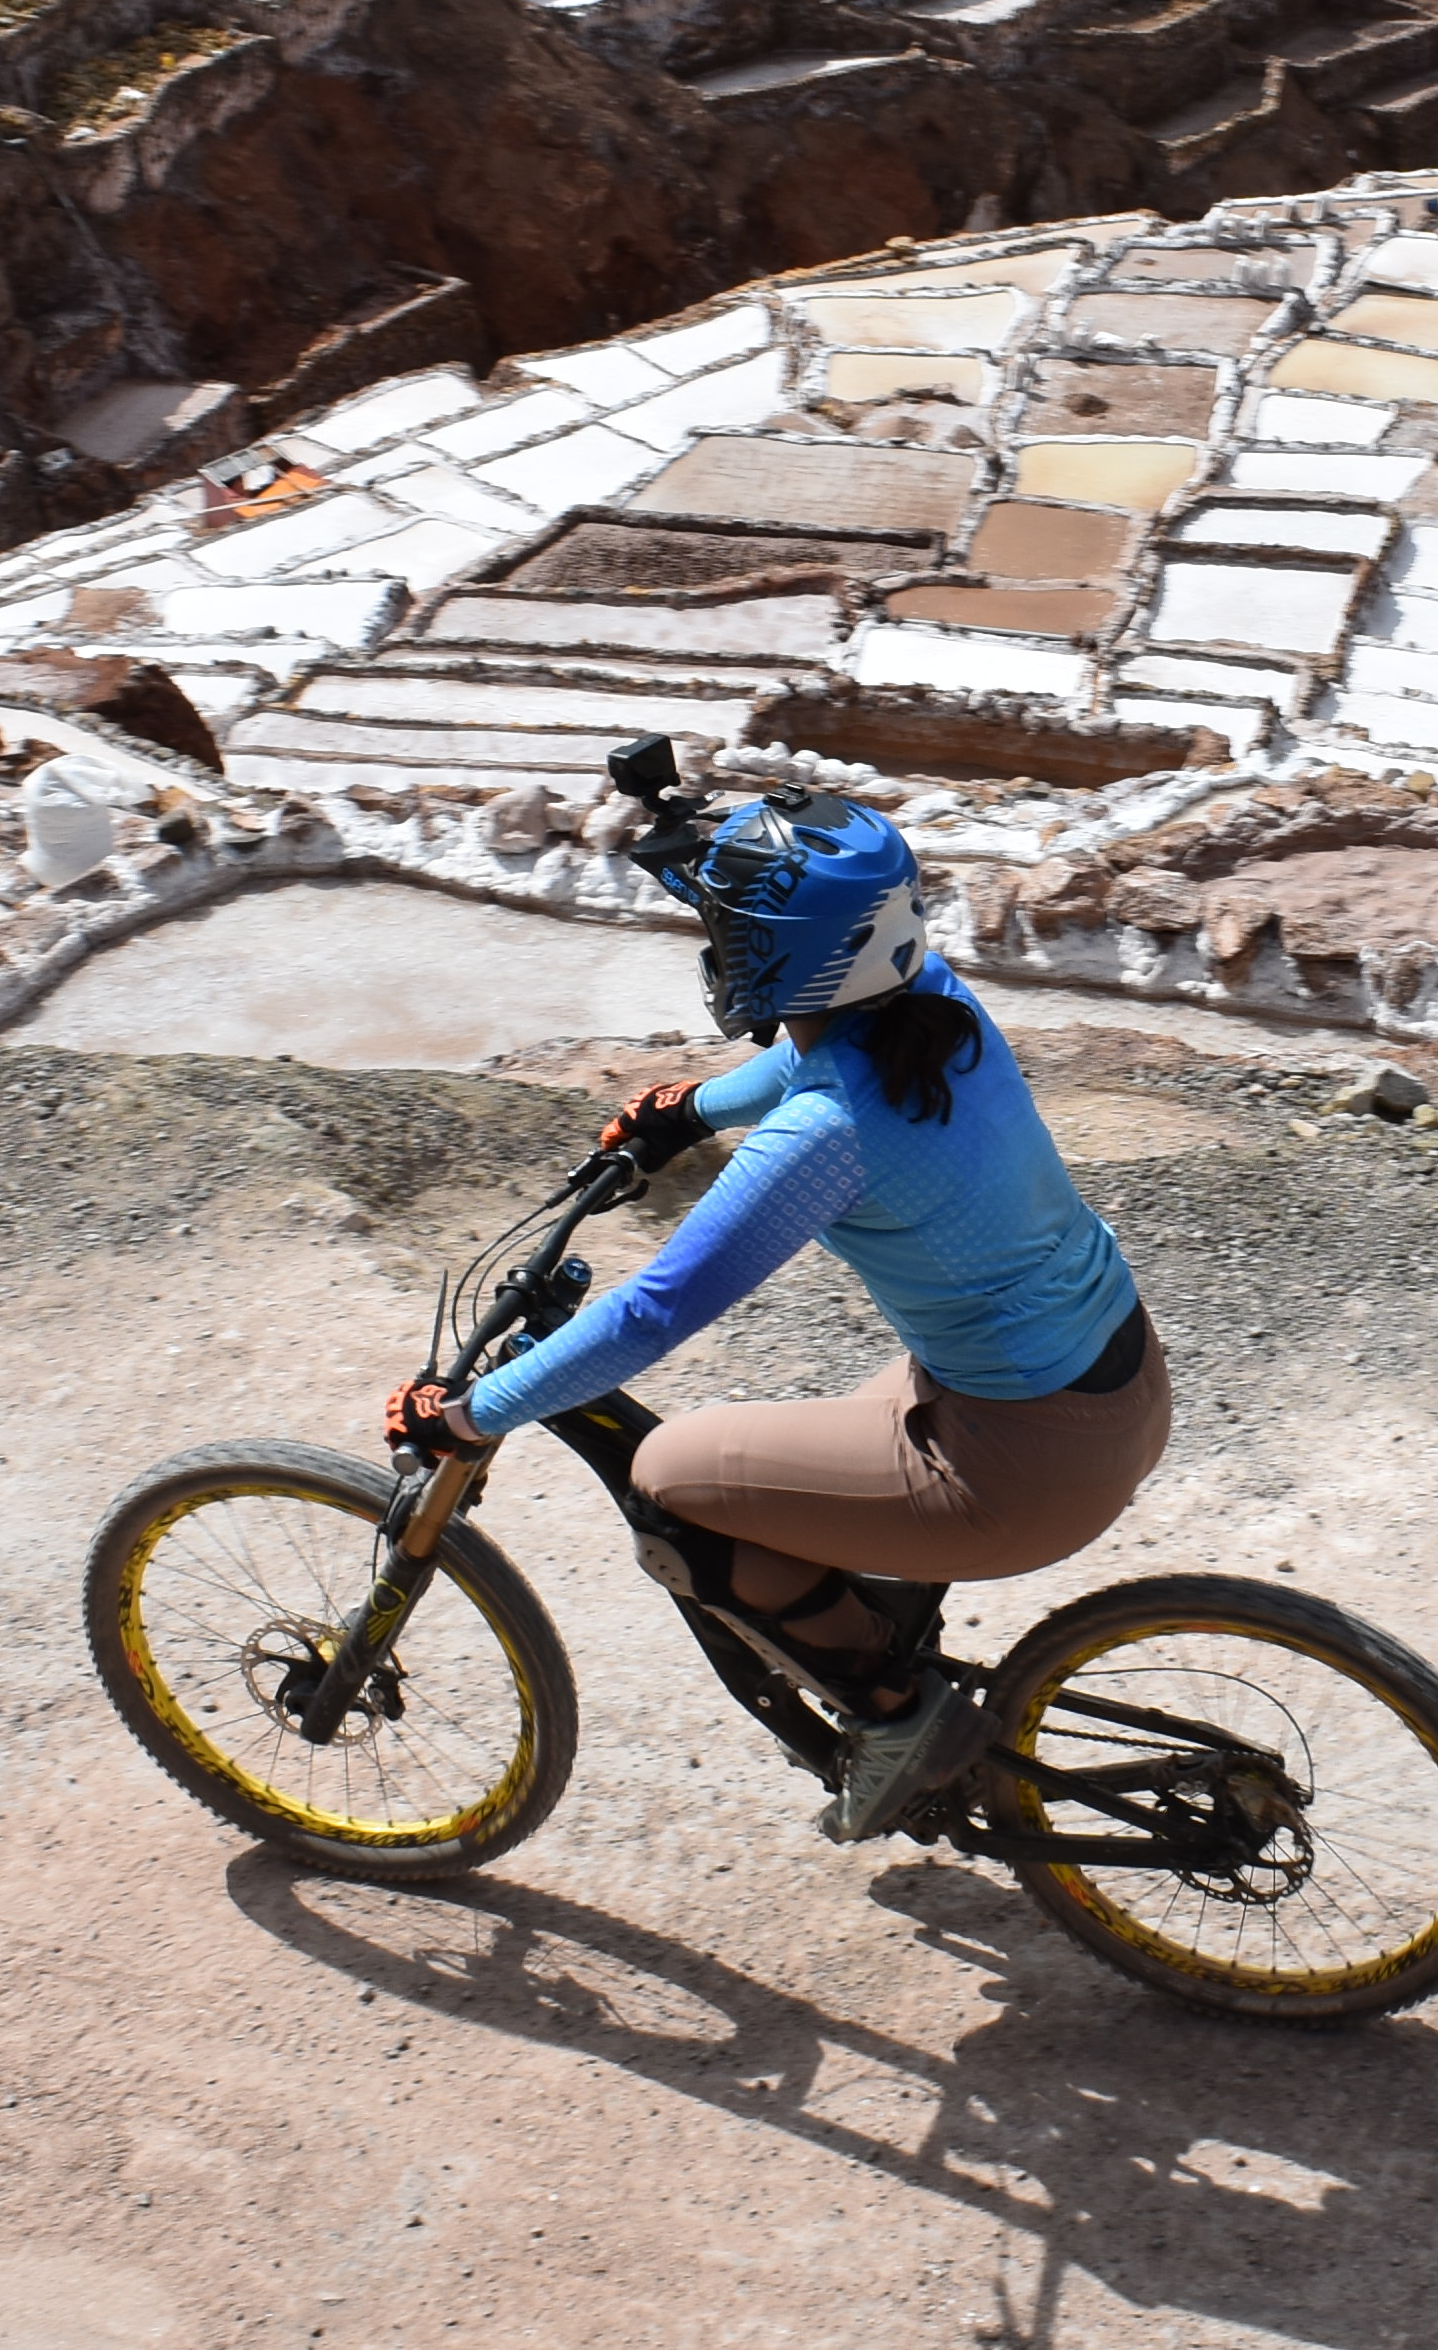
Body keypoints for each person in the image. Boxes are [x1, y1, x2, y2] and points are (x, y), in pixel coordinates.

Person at [380, 782, 1166, 1844]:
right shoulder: (932, 999)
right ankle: (886, 1642)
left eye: (734, 932)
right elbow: (818, 1047)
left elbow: (654, 1314)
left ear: (783, 956)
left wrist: (471, 1415)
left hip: (1023, 1463)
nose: (719, 946)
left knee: (670, 1485)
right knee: (793, 1467)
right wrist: (689, 1108)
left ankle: (899, 1716)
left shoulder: (826, 1136)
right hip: (1114, 1380)